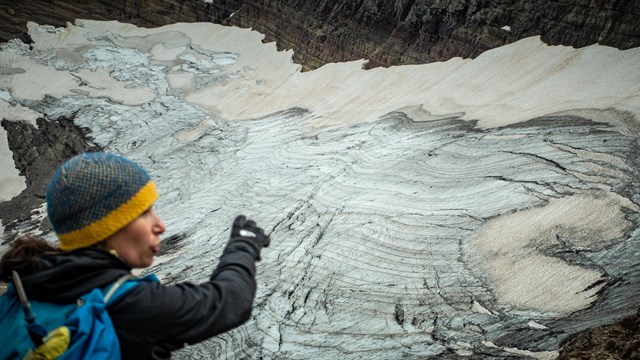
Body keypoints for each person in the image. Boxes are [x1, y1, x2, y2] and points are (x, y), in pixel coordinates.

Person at [0, 152, 270, 359]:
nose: (160, 226)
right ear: (107, 226)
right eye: (144, 213)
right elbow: (229, 302)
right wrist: (243, 244)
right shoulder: (126, 304)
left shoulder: (22, 289)